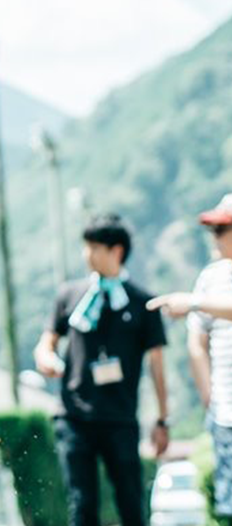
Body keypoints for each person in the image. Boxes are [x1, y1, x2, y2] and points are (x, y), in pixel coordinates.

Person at [34, 214, 170, 526]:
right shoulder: (69, 294)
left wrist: (162, 419)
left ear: (116, 251)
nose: (87, 254)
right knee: (81, 504)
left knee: (131, 504)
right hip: (74, 417)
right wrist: (46, 358)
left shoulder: (142, 303)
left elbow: (157, 366)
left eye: (94, 247)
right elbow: (46, 342)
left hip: (120, 419)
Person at [147, 194, 232, 523]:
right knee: (227, 503)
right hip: (224, 410)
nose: (214, 238)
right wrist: (209, 393)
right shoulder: (210, 278)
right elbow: (196, 343)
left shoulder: (200, 295)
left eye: (221, 230)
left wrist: (194, 301)